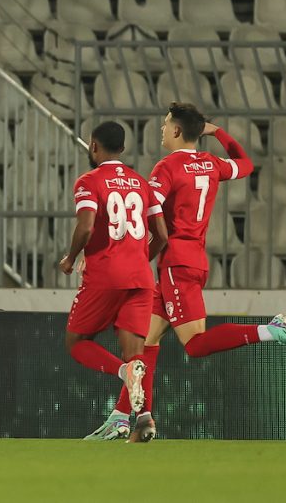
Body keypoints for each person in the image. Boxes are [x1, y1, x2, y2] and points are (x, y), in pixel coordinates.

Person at [87, 103, 286, 444]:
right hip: (190, 262)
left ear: (177, 131)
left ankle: (270, 330)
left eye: (165, 125)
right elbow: (246, 164)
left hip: (176, 264)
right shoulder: (211, 163)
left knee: (195, 345)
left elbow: (150, 210)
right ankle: (130, 419)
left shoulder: (167, 167)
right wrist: (216, 131)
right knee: (145, 342)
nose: (162, 130)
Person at [59, 121, 169, 428]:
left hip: (105, 276)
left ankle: (122, 373)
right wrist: (136, 258)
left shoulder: (89, 181)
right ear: (122, 148)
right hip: (141, 278)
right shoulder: (141, 183)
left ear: (94, 146)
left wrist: (70, 258)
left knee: (77, 342)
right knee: (137, 354)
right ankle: (144, 419)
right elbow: (162, 234)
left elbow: (86, 226)